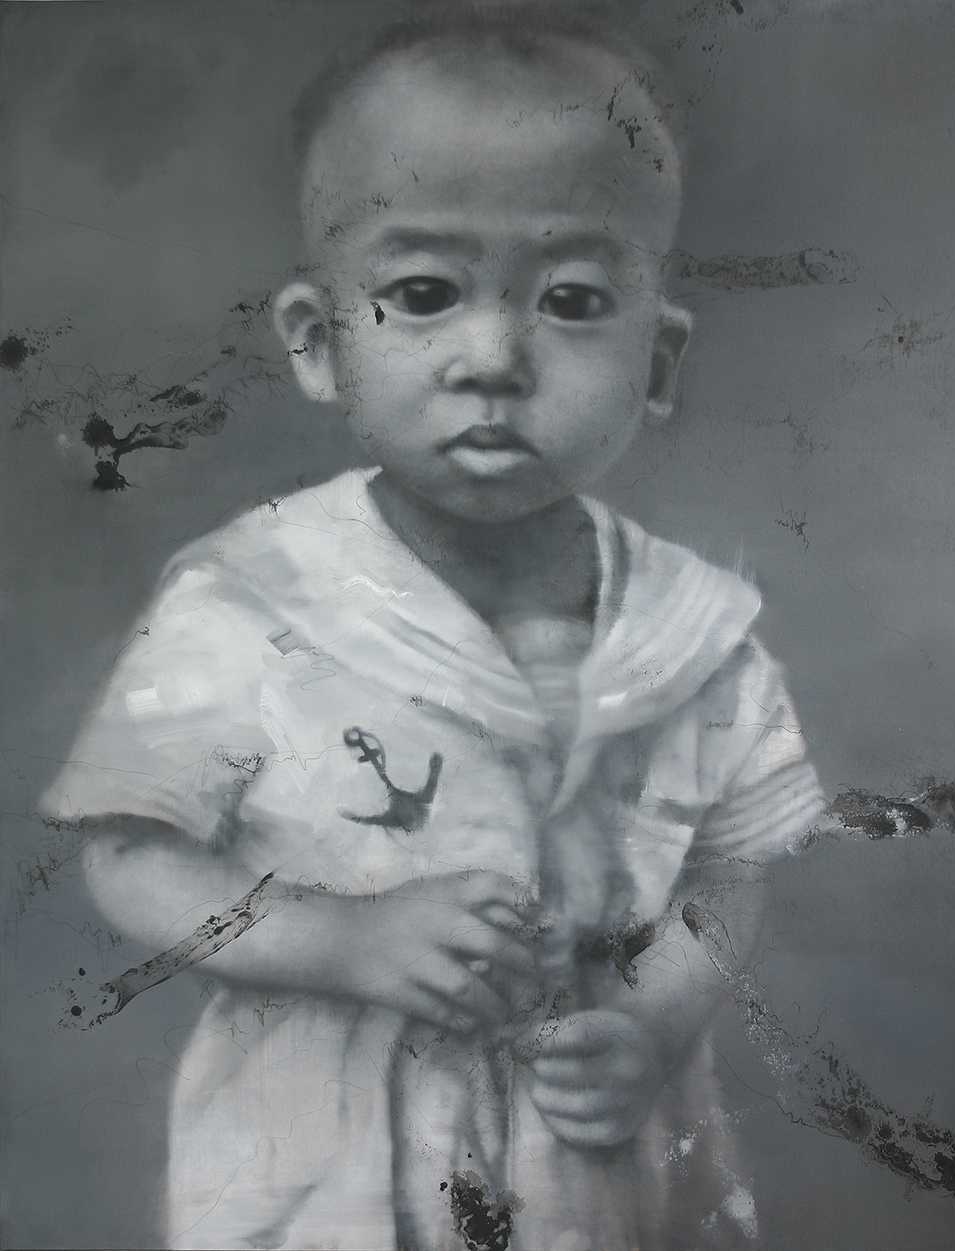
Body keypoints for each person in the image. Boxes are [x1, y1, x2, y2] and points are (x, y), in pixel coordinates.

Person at [40, 8, 827, 1249]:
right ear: (319, 345)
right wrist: (339, 940)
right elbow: (129, 858)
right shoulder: (252, 602)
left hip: (601, 1174)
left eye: (571, 299)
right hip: (330, 1172)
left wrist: (652, 1023)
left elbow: (730, 874)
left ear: (658, 361)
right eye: (423, 294)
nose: (494, 356)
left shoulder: (697, 638)